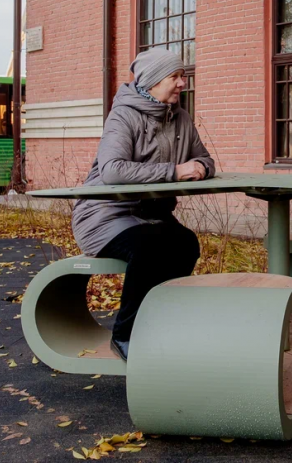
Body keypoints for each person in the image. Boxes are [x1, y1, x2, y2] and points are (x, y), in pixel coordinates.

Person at [72, 48, 215, 362]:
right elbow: (112, 169)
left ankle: (159, 323)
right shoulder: (123, 116)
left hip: (152, 214)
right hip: (104, 215)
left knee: (186, 244)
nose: (183, 83)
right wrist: (175, 171)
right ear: (152, 82)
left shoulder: (181, 118)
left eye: (182, 75)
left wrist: (202, 167)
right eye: (175, 76)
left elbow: (204, 159)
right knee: (150, 248)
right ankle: (125, 334)